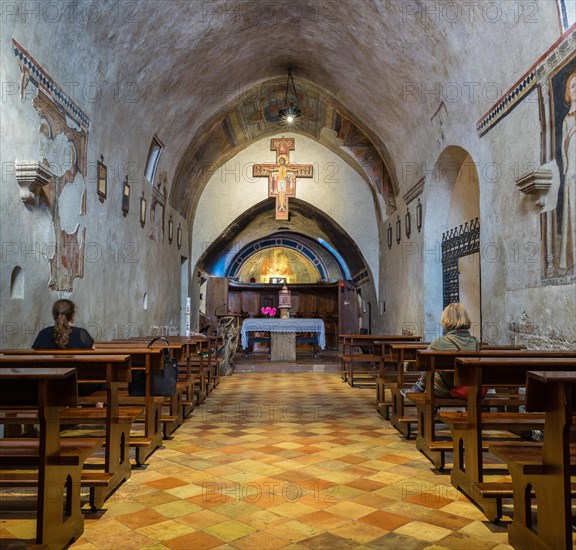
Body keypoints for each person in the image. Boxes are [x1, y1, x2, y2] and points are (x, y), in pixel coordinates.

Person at [401, 302, 479, 398]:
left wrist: (421, 384)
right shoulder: (475, 342)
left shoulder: (440, 343)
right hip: (468, 390)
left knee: (429, 366)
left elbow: (423, 363)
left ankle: (419, 387)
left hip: (444, 391)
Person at [33, 299, 102, 397]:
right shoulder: (81, 334)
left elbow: (34, 358)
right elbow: (95, 358)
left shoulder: (43, 334)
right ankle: (100, 402)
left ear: (54, 315)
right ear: (73, 316)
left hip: (49, 385)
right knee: (103, 375)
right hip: (78, 387)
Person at [557, 70, 576, 276]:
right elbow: (563, 149)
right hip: (572, 173)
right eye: (572, 85)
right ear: (568, 92)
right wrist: (567, 170)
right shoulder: (566, 120)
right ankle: (569, 261)